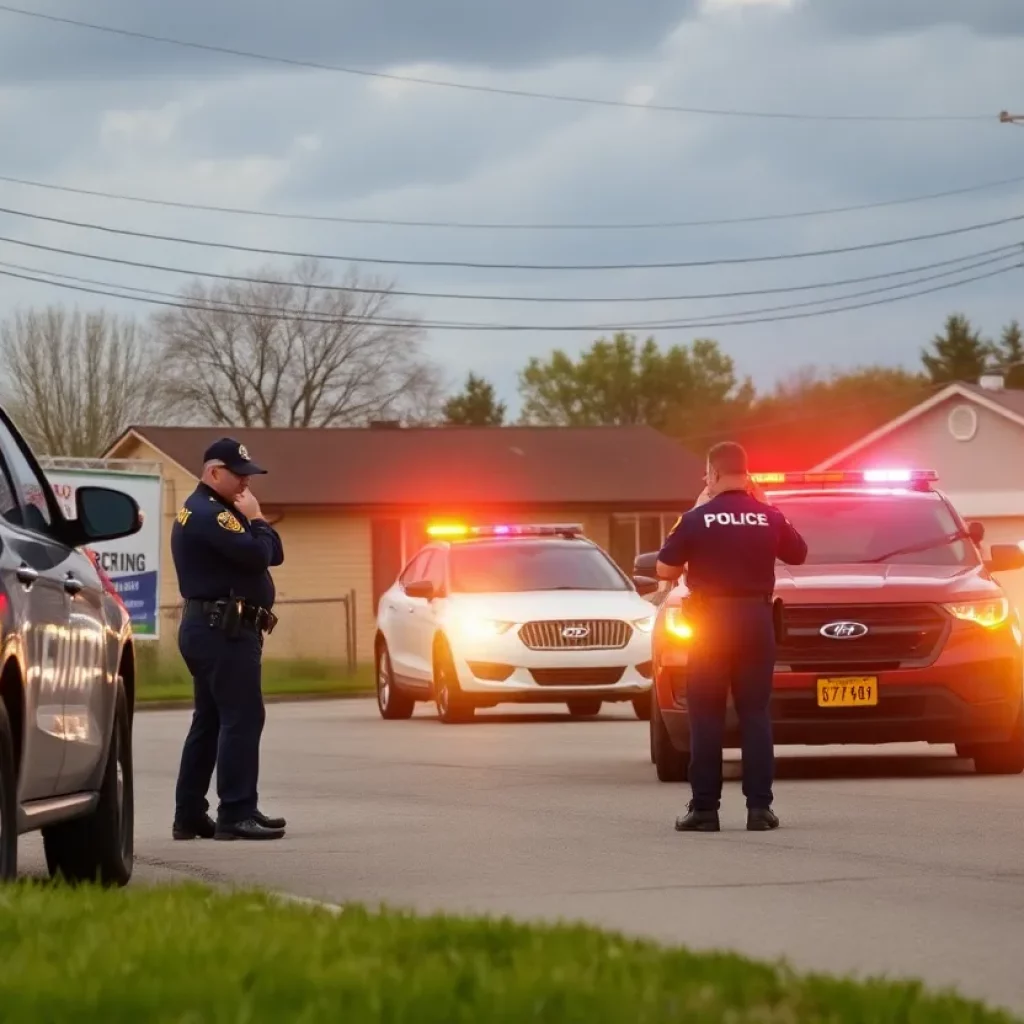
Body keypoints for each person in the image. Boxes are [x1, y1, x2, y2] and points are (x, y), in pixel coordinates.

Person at [655, 441, 808, 833]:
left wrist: (694, 511)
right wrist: (767, 506)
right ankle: (760, 810)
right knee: (755, 714)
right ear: (748, 475)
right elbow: (798, 553)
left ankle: (704, 810)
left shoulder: (696, 518)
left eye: (707, 474)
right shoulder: (769, 516)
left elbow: (664, 571)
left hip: (710, 624)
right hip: (756, 620)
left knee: (705, 714)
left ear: (714, 473)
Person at [170, 437, 287, 842]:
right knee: (242, 717)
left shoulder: (206, 509)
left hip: (212, 628)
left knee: (211, 719)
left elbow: (273, 555)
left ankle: (189, 814)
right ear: (213, 472)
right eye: (238, 476)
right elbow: (261, 555)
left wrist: (254, 523)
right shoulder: (211, 514)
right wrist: (257, 519)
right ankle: (235, 812)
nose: (245, 484)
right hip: (225, 630)